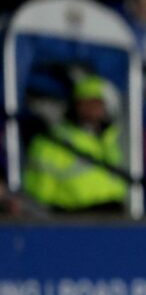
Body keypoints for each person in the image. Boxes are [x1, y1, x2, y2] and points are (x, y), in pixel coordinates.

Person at [23, 75, 127, 212]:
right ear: (76, 105)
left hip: (115, 215)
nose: (94, 109)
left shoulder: (111, 139)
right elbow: (38, 194)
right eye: (87, 102)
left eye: (98, 103)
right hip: (74, 219)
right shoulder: (51, 142)